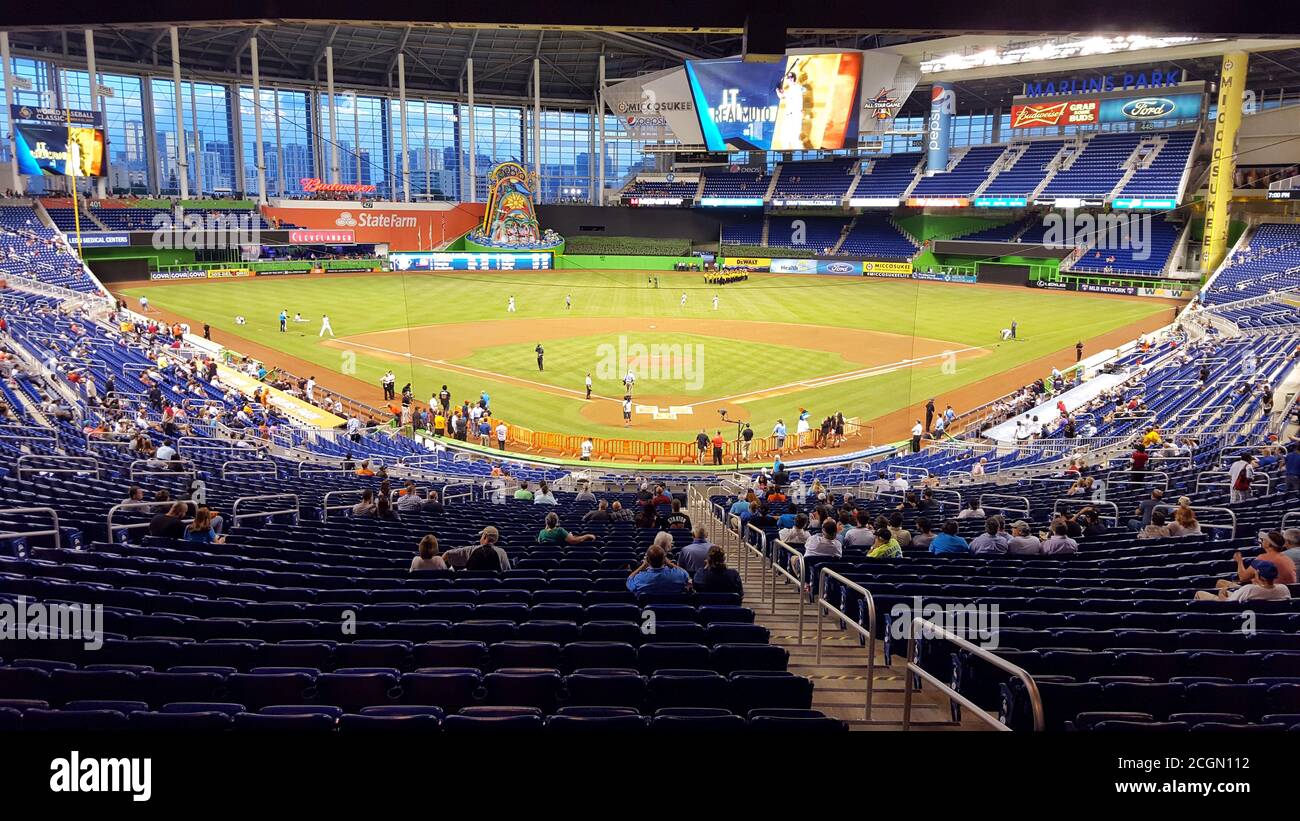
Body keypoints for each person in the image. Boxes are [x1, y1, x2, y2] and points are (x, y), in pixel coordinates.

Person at [1196, 559, 1292, 602]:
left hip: (1236, 610)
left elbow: (1228, 604)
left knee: (1199, 593)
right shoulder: (1284, 589)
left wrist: (1221, 593)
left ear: (1258, 575)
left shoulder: (1249, 589)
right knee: (1221, 582)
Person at [627, 536, 691, 594]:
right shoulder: (678, 575)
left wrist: (642, 566)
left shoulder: (639, 578)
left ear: (648, 561)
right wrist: (670, 564)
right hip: (674, 606)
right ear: (664, 560)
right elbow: (686, 574)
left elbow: (629, 580)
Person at [442, 526, 511, 571]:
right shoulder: (502, 552)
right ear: (496, 539)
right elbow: (507, 571)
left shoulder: (471, 549)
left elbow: (447, 554)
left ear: (484, 537)